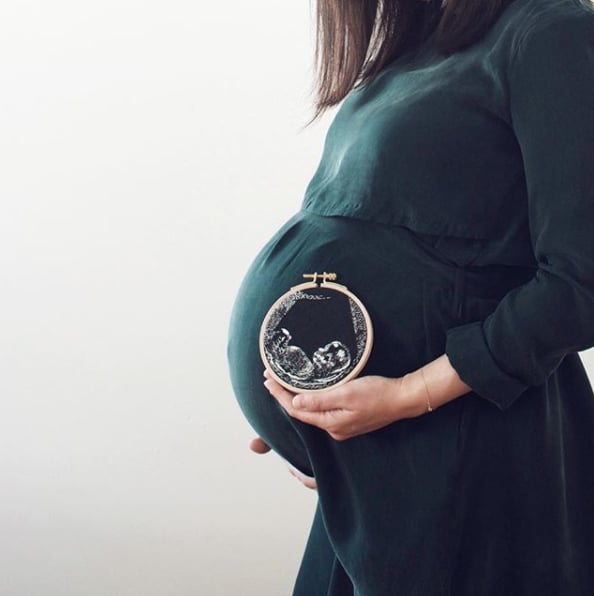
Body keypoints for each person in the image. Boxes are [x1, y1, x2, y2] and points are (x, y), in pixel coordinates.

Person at [227, 0, 594, 593]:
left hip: (465, 452)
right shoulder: (413, 45)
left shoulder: (550, 31)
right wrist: (290, 406)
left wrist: (406, 395)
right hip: (380, 455)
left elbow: (582, 282)